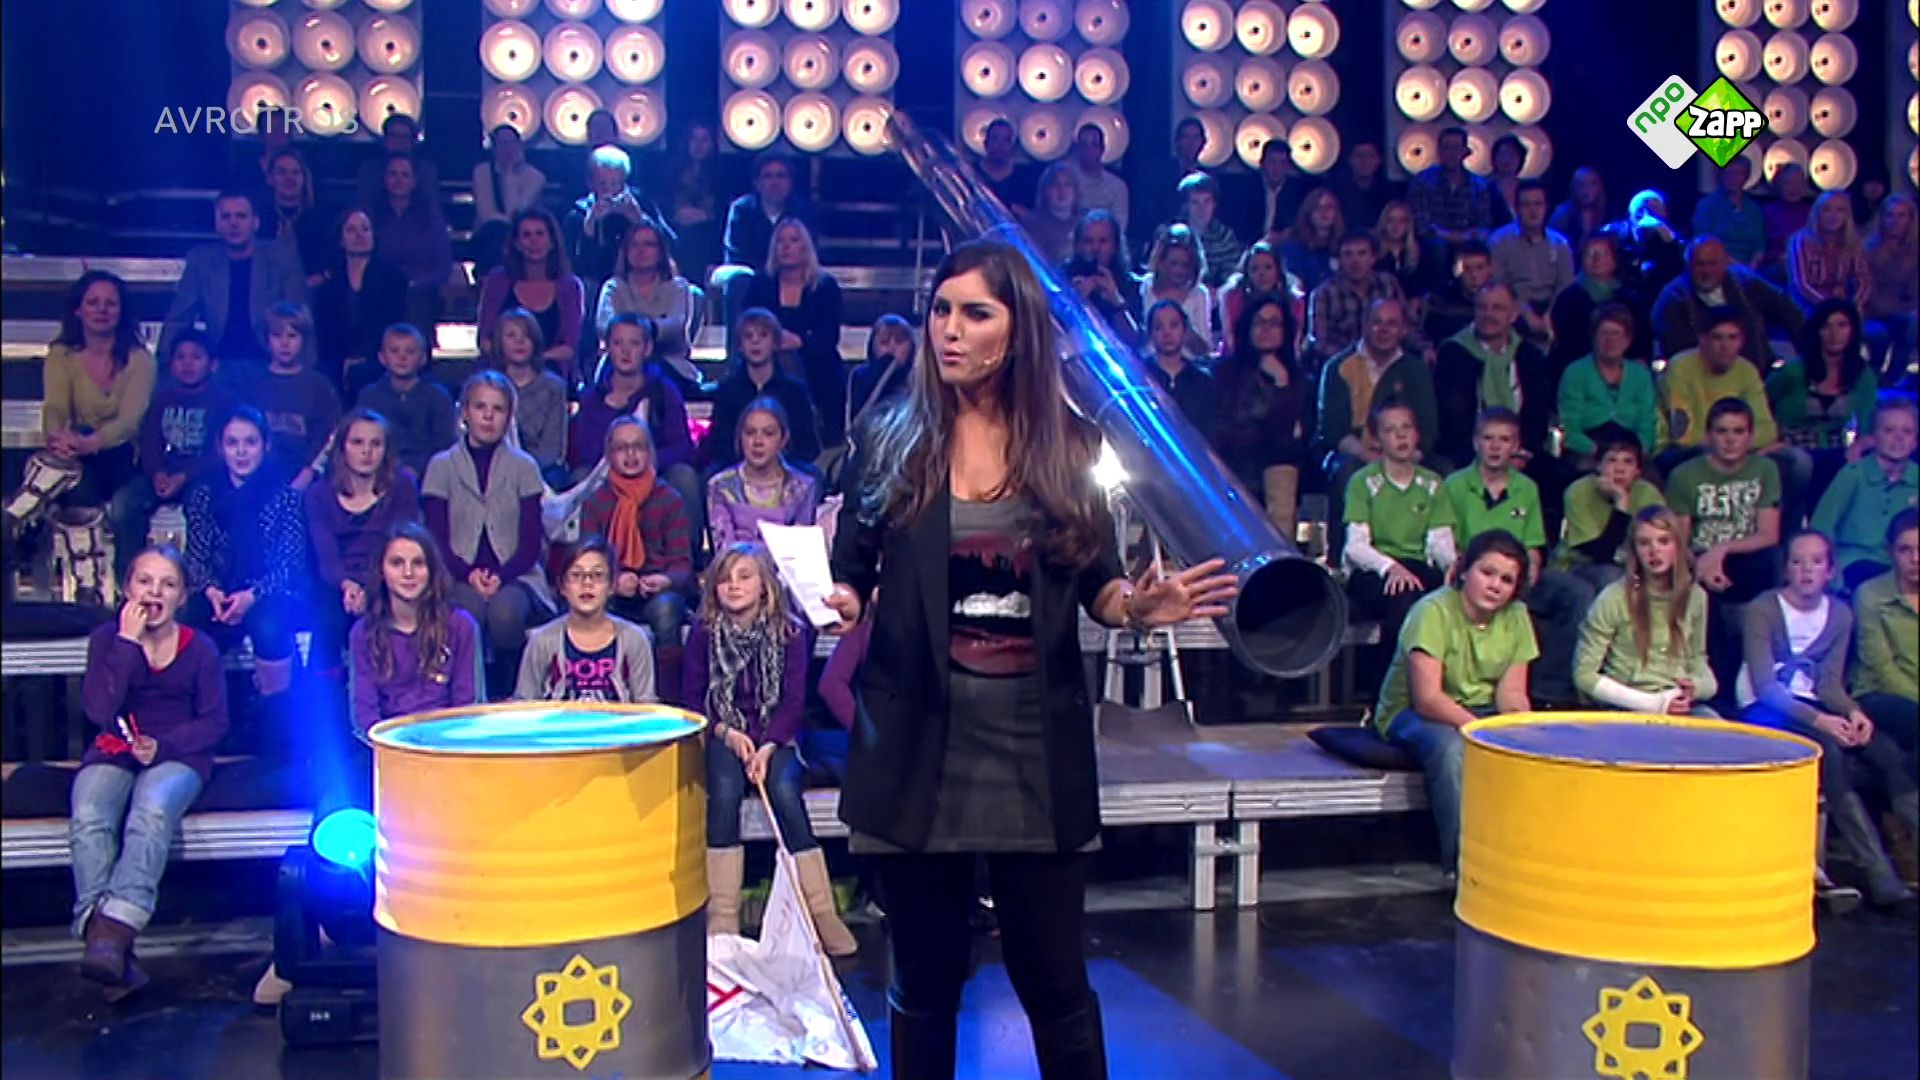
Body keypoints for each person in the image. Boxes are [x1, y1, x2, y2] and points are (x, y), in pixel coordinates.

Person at [823, 238, 1238, 1078]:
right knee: (924, 982)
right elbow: (853, 570)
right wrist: (840, 599)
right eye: (942, 310)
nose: (950, 330)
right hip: (916, 752)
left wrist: (1138, 608)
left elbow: (1099, 585)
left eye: (975, 313)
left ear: (1018, 330)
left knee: (1054, 982)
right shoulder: (890, 436)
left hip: (1030, 757)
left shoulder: (1071, 445)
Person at [70, 546, 228, 1001]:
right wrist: (126, 643)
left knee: (151, 809)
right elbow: (98, 710)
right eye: (144, 581)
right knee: (89, 813)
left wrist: (165, 746)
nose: (154, 592)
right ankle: (109, 947)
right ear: (127, 588)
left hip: (180, 753)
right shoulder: (107, 640)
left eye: (167, 584)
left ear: (182, 596)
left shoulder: (200, 649)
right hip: (116, 749)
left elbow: (215, 723)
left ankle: (111, 931)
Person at [689, 542, 854, 955]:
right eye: (725, 579)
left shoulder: (790, 632)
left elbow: (794, 701)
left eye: (744, 577)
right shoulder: (704, 632)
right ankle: (722, 917)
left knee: (783, 788)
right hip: (723, 733)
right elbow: (693, 696)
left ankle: (820, 913)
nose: (734, 586)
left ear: (764, 584)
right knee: (724, 792)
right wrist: (726, 732)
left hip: (777, 736)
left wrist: (767, 746)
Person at [1738, 531, 1917, 911]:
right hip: (1764, 707)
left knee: (1884, 751)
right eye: (1798, 561)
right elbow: (1766, 688)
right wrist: (1823, 722)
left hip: (1814, 703)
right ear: (1786, 569)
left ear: (1830, 570)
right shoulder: (1763, 609)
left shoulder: (1840, 614)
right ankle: (1880, 877)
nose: (1807, 570)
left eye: (1816, 562)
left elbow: (1830, 684)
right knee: (1830, 754)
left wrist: (1853, 712)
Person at [1373, 530, 1536, 874]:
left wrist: (1520, 733)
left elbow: (1511, 695)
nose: (1495, 586)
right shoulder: (1432, 611)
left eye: (1506, 580)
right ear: (1464, 571)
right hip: (1414, 713)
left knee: (1531, 746)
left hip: (1481, 711)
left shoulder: (1517, 616)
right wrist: (1481, 732)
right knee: (1451, 749)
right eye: (1487, 573)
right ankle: (1464, 865)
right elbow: (1428, 698)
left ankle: (1522, 859)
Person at [1441, 407, 1593, 706]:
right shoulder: (1454, 486)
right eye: (1489, 439)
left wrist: (1531, 567)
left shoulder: (1527, 488)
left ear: (1516, 445)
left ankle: (1549, 693)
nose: (1495, 447)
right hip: (1472, 574)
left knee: (1577, 593)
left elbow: (1533, 546)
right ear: (1476, 442)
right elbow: (1446, 541)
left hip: (1518, 575)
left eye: (1504, 440)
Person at [422, 372, 556, 689]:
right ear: (464, 412)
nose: (488, 416)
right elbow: (435, 540)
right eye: (480, 407)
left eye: (497, 409)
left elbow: (531, 543)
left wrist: (500, 575)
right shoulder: (441, 466)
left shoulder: (524, 467)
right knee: (468, 612)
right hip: (455, 574)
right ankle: (470, 692)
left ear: (509, 416)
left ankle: (513, 689)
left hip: (516, 574)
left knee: (505, 614)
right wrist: (468, 574)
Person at [181, 407, 308, 697]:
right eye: (232, 443)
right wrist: (212, 591)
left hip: (268, 593)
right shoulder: (203, 495)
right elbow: (196, 556)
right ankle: (202, 715)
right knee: (192, 624)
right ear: (220, 447)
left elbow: (289, 566)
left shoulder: (285, 498)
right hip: (218, 594)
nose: (241, 452)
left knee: (269, 626)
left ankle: (276, 713)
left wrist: (251, 596)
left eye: (250, 442)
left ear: (266, 445)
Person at [1667, 398, 1783, 693]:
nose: (1730, 440)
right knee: (1704, 602)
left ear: (1750, 436)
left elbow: (1769, 534)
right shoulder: (1684, 475)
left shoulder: (1765, 470)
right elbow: (1678, 541)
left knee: (1767, 563)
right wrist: (1700, 565)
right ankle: (1716, 691)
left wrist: (1720, 551)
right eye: (1722, 431)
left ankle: (1755, 685)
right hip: (1697, 563)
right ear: (1708, 436)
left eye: (1738, 431)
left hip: (1746, 558)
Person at [1660, 309, 1811, 527]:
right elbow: (1684, 435)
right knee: (1705, 453)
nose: (1725, 346)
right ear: (1703, 339)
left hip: (1740, 449)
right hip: (1686, 451)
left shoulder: (1746, 370)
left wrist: (1738, 446)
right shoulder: (1681, 367)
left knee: (1799, 462)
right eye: (1717, 338)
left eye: (1732, 338)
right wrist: (1734, 443)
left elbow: (1767, 429)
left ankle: (1788, 540)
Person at [1315, 298, 1440, 558]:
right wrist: (1373, 458)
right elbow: (1333, 430)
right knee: (1347, 472)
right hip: (1354, 451)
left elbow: (1427, 430)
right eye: (1377, 323)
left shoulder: (1415, 369)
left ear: (1403, 329)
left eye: (1392, 324)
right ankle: (1341, 559)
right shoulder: (1338, 367)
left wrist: (1401, 457)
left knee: (1442, 470)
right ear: (1364, 325)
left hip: (1405, 451)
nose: (1384, 330)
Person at [579, 417, 693, 695]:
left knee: (665, 611)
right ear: (609, 455)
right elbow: (585, 564)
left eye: (638, 447)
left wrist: (664, 580)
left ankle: (668, 699)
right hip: (611, 589)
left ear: (650, 452)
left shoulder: (669, 499)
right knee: (589, 603)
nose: (630, 455)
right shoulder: (596, 503)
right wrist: (613, 581)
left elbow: (682, 564)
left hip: (658, 592)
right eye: (622, 448)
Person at [305, 410, 421, 679]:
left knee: (388, 611)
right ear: (342, 447)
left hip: (388, 578)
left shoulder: (402, 487)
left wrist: (372, 588)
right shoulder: (319, 494)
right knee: (327, 619)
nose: (367, 452)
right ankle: (330, 697)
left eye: (375, 444)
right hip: (337, 584)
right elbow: (326, 555)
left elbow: (402, 545)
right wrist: (348, 585)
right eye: (357, 443)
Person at [111, 331, 236, 577]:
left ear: (212, 364)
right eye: (180, 357)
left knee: (201, 504)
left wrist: (184, 476)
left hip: (203, 476)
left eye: (196, 357)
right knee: (125, 503)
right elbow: (150, 441)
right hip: (162, 474)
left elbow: (220, 453)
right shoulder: (162, 399)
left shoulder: (224, 402)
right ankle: (129, 577)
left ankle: (197, 579)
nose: (188, 364)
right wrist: (157, 473)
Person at [1574, 506, 1717, 716]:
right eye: (1644, 543)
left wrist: (1696, 688)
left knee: (1716, 726)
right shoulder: (1613, 598)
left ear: (1677, 545)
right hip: (1626, 706)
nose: (1654, 551)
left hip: (1676, 700)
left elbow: (1697, 658)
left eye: (1664, 541)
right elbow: (1584, 675)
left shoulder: (1695, 597)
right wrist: (1654, 704)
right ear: (1634, 550)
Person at [35, 272, 157, 515]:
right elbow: (55, 408)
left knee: (74, 469)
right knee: (72, 472)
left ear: (121, 311)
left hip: (123, 457)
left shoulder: (140, 360)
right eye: (93, 302)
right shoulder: (61, 356)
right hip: (76, 454)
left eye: (111, 303)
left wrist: (91, 443)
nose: (102, 310)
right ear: (78, 310)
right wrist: (58, 440)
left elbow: (130, 422)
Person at [347, 522, 481, 741]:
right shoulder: (363, 633)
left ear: (431, 571)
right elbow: (364, 714)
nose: (408, 573)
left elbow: (467, 707)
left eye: (418, 563)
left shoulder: (461, 626)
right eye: (397, 563)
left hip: (449, 745)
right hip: (387, 746)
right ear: (381, 570)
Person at [1341, 401, 1457, 653]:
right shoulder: (1362, 482)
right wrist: (1390, 568)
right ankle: (1396, 672)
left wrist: (1454, 566)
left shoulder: (1432, 483)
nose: (1401, 436)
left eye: (1407, 428)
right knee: (1403, 595)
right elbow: (1356, 547)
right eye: (1391, 430)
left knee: (1436, 590)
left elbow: (1439, 541)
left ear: (1417, 434)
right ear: (1378, 439)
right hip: (1374, 570)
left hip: (1416, 566)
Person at [158, 189, 307, 368]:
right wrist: (164, 366)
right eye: (226, 217)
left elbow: (301, 319)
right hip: (217, 365)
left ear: (256, 222)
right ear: (216, 223)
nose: (233, 223)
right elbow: (179, 318)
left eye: (241, 216)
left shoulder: (282, 258)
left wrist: (303, 371)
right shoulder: (201, 260)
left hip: (271, 364)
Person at [516, 536, 658, 703]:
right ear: (562, 586)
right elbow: (525, 703)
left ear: (611, 585)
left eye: (597, 575)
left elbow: (646, 705)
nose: (587, 583)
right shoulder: (542, 640)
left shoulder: (634, 639)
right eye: (576, 575)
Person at [744, 218, 847, 446]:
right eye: (780, 241)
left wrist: (800, 341)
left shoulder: (824, 286)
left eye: (793, 240)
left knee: (820, 371)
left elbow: (828, 336)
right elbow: (748, 324)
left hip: (815, 361)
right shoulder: (761, 284)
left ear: (805, 247)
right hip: (767, 359)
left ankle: (817, 431)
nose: (786, 246)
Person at [1213, 297, 1308, 541]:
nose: (1266, 329)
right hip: (1233, 455)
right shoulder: (1225, 373)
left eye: (1274, 323)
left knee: (1282, 465)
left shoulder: (1296, 378)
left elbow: (1292, 432)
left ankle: (1280, 553)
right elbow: (1226, 425)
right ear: (1248, 328)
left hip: (1276, 458)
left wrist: (1281, 383)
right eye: (1259, 322)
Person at [1432, 283, 1554, 471]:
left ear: (1513, 314)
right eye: (1482, 307)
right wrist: (1489, 453)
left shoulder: (1529, 355)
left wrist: (1520, 452)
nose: (1488, 314)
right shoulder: (1453, 353)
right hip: (1469, 453)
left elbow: (1538, 413)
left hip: (1521, 453)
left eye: (1498, 308)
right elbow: (1454, 419)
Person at [1768, 300, 1880, 493]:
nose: (1834, 334)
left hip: (1835, 450)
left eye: (1842, 325)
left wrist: (1860, 446)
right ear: (1817, 331)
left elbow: (1867, 422)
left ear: (1853, 330)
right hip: (1790, 449)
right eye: (1826, 326)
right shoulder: (1795, 370)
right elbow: (1763, 400)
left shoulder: (1862, 375)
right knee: (1808, 466)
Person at [1811, 398, 1920, 593]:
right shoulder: (1853, 474)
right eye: (1889, 431)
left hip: (1904, 566)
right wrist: (1830, 573)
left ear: (1915, 441)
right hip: (1854, 561)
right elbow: (1821, 528)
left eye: (1907, 432)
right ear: (1873, 437)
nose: (1899, 438)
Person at [1651, 236, 1803, 366]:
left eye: (1712, 263)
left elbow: (1787, 310)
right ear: (1688, 266)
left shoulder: (1745, 282)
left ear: (1725, 262)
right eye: (1700, 264)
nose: (1707, 271)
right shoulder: (1673, 299)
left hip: (1757, 371)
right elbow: (1678, 352)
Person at [701, 308, 822, 469]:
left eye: (763, 335)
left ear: (775, 343)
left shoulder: (794, 392)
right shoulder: (727, 391)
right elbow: (718, 445)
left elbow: (808, 447)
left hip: (786, 470)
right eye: (748, 336)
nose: (755, 341)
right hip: (736, 470)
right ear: (740, 345)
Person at [477, 208, 586, 382]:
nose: (534, 241)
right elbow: (485, 340)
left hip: (551, 375)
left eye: (540, 234)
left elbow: (568, 348)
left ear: (552, 242)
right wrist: (512, 364)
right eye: (526, 235)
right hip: (503, 374)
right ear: (516, 244)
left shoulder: (569, 287)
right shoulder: (497, 281)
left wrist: (529, 364)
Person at [310, 208, 409, 399]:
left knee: (365, 375)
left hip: (379, 358)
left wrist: (365, 358)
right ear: (340, 239)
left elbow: (391, 325)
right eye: (351, 230)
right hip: (337, 360)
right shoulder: (329, 283)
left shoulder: (393, 278)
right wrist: (344, 361)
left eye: (365, 229)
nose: (359, 235)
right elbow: (325, 333)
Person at [593, 216, 702, 390]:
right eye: (634, 245)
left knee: (655, 377)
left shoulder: (678, 287)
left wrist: (632, 329)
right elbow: (604, 326)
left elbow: (675, 326)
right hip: (620, 363)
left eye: (648, 244)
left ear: (661, 251)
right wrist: (650, 328)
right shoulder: (614, 286)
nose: (641, 250)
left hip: (669, 363)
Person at [1552, 431, 1666, 592]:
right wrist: (1621, 504)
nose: (1620, 469)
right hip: (1581, 565)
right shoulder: (1578, 491)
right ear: (1598, 466)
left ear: (1637, 471)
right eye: (1612, 460)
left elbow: (1660, 544)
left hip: (1635, 564)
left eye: (1628, 462)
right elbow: (1599, 554)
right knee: (1612, 578)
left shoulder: (1649, 494)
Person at [707, 398, 822, 551]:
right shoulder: (720, 486)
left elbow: (800, 550)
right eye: (750, 433)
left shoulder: (803, 487)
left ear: (783, 439)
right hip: (736, 565)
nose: (758, 442)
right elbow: (723, 550)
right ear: (740, 437)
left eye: (768, 433)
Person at [1851, 510, 1918, 764]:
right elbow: (1882, 669)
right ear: (1891, 552)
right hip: (1880, 694)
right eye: (1905, 550)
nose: (1915, 559)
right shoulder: (1870, 594)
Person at [1557, 304, 1661, 468]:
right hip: (1588, 451)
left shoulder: (1640, 374)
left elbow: (1647, 424)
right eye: (1604, 333)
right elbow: (1570, 430)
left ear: (1628, 340)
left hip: (1632, 451)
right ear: (1593, 337)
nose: (1610, 340)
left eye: (1616, 334)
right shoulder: (1575, 373)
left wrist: (1635, 454)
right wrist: (1600, 452)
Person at [254, 302, 341, 491]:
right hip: (258, 478)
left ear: (303, 340)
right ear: (267, 339)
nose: (284, 343)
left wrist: (308, 473)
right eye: (277, 335)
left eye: (292, 336)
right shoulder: (252, 384)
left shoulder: (320, 386)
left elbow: (330, 437)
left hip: (308, 480)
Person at [354, 323, 457, 478]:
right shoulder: (370, 396)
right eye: (394, 351)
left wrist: (418, 469)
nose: (402, 357)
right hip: (380, 474)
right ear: (382, 357)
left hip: (430, 475)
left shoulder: (437, 396)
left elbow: (445, 443)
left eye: (410, 351)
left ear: (423, 358)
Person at [370, 154, 454, 330]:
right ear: (384, 180)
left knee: (416, 301)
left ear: (414, 181)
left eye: (404, 175)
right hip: (381, 288)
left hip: (420, 289)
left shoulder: (431, 218)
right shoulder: (371, 216)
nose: (398, 180)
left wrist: (416, 283)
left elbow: (443, 265)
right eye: (393, 174)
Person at [564, 145, 660, 292]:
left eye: (615, 184)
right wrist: (589, 226)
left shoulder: (641, 203)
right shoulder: (577, 214)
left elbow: (670, 245)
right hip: (595, 284)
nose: (608, 191)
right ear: (590, 183)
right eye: (602, 184)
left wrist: (640, 220)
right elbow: (576, 265)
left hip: (638, 280)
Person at [1304, 231, 1409, 367]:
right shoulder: (1324, 293)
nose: (1355, 261)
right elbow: (1319, 341)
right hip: (1343, 365)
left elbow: (1408, 324)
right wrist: (1357, 359)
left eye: (1362, 253)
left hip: (1388, 361)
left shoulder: (1388, 284)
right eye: (1347, 254)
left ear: (1373, 257)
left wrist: (1425, 348)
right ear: (1339, 260)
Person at [1548, 233, 1646, 376]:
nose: (1597, 259)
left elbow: (1641, 341)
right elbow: (1567, 344)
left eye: (1604, 254)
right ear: (1582, 259)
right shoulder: (1568, 299)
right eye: (1590, 254)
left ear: (1614, 260)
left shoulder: (1630, 300)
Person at [1488, 180, 1574, 344]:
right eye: (1526, 205)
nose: (1533, 211)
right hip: (1516, 305)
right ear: (1517, 208)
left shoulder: (1560, 243)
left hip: (1552, 304)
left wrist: (1550, 315)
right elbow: (1500, 283)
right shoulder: (1499, 241)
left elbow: (1565, 284)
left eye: (1538, 204)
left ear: (1546, 207)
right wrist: (1527, 313)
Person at [491, 309, 570, 487]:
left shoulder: (553, 387)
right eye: (511, 335)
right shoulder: (489, 386)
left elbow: (553, 446)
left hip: (540, 469)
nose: (519, 341)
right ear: (499, 342)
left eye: (526, 335)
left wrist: (525, 473)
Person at [470, 124, 547, 277]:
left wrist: (509, 174)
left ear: (520, 146)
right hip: (487, 234)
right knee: (494, 231)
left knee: (503, 234)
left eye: (511, 143)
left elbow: (515, 213)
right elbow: (486, 214)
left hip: (521, 234)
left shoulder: (535, 177)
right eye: (502, 143)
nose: (507, 149)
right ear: (494, 147)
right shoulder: (482, 172)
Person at [1408, 127, 1498, 248]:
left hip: (1469, 242)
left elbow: (1484, 222)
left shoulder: (1479, 185)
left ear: (1465, 151)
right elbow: (1421, 222)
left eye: (1456, 148)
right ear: (1439, 151)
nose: (1451, 153)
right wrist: (1448, 236)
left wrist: (1466, 236)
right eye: (1446, 147)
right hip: (1434, 243)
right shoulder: (1422, 181)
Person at [1143, 300, 1218, 443]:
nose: (1166, 333)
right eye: (1158, 327)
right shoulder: (1139, 375)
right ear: (1150, 333)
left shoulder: (1203, 381)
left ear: (1185, 331)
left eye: (1174, 325)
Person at [1788, 191, 1874, 313]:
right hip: (1808, 306)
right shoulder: (1801, 241)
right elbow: (1802, 284)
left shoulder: (1853, 241)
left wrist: (1854, 306)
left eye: (1840, 210)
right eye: (1827, 210)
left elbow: (1863, 279)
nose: (1833, 216)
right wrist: (1830, 309)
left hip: (1842, 305)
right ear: (1817, 213)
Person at [1862, 193, 1918, 376]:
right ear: (1882, 218)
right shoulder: (1867, 249)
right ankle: (1872, 377)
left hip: (1904, 311)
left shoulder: (1915, 251)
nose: (1895, 221)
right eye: (1890, 215)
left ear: (1910, 219)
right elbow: (1866, 292)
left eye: (1901, 215)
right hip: (1871, 313)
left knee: (1911, 325)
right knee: (1880, 334)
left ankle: (1895, 377)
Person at [256, 149, 332, 283]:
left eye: (295, 172)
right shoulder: (257, 218)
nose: (289, 178)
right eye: (282, 172)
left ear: (304, 179)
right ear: (270, 179)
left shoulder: (323, 219)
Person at [1067, 211, 1144, 334]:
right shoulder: (1061, 278)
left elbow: (1134, 339)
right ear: (1078, 245)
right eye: (1089, 241)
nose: (1095, 248)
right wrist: (1076, 299)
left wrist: (1115, 300)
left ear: (1115, 246)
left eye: (1103, 241)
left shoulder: (1130, 284)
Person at [665, 121, 723, 282]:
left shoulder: (721, 176)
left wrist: (706, 216)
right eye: (694, 139)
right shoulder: (671, 173)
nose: (699, 145)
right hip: (676, 236)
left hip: (707, 241)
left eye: (704, 140)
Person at [1141, 224, 1213, 351]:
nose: (1178, 270)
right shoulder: (1146, 286)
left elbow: (1204, 349)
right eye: (1173, 263)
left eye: (1185, 265)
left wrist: (1183, 327)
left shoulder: (1199, 294)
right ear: (1161, 262)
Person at [845, 314, 916, 441]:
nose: (892, 348)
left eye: (899, 342)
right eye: (884, 342)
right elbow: (855, 424)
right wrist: (883, 370)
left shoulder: (920, 379)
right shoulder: (859, 375)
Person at [1690, 154, 1767, 268]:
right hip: (1715, 266)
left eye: (1738, 173)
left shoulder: (1754, 209)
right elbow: (1703, 242)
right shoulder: (1706, 206)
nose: (1733, 178)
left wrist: (1751, 268)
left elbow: (1760, 246)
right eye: (1728, 173)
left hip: (1750, 269)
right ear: (1720, 176)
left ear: (1746, 176)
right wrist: (1737, 267)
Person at [1605, 189, 1686, 293]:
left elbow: (1685, 262)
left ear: (1665, 215)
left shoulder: (1671, 237)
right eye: (1641, 210)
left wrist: (1666, 234)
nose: (1646, 214)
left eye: (1653, 210)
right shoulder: (1615, 231)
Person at [354, 114, 439, 212]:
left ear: (412, 141)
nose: (398, 141)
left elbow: (431, 207)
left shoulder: (426, 170)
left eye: (403, 137)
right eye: (394, 136)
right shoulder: (370, 169)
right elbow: (363, 204)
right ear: (385, 139)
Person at [1216, 242, 1286, 355]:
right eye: (1254, 269)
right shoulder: (1232, 297)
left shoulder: (1293, 300)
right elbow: (1231, 341)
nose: (1261, 274)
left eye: (1268, 267)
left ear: (1278, 271)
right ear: (1247, 274)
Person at [1176, 172, 1242, 290]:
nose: (1201, 208)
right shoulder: (1171, 234)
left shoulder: (1225, 236)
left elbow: (1233, 274)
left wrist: (1220, 291)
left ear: (1214, 204)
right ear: (1186, 206)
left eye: (1207, 201)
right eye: (1195, 202)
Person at [1420, 239, 1494, 344]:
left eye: (1480, 268)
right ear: (1457, 271)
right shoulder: (1442, 302)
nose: (1474, 275)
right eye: (1467, 268)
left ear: (1490, 269)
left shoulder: (1503, 300)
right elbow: (1428, 338)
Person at [1373, 200, 1444, 307]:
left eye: (1402, 221)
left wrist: (1419, 299)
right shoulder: (1373, 250)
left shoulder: (1422, 249)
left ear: (1409, 224)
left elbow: (1429, 284)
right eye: (1390, 220)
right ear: (1384, 223)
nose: (1395, 226)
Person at [1280, 188, 1343, 299]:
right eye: (1318, 208)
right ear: (1308, 213)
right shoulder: (1294, 247)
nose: (1324, 212)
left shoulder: (1343, 246)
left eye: (1329, 207)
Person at [1024, 162, 1083, 266]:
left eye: (1068, 184)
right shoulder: (1032, 224)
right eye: (1056, 185)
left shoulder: (1086, 221)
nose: (1062, 190)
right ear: (1045, 191)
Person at [1334, 141, 1399, 235]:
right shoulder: (1336, 190)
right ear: (1349, 160)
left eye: (1370, 156)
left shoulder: (1389, 191)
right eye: (1358, 156)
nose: (1365, 162)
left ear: (1379, 160)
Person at [1070, 123, 1128, 229]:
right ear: (1077, 149)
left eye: (1094, 144)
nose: (1089, 150)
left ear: (1102, 149)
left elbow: (1120, 227)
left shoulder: (1117, 186)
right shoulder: (1065, 180)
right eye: (1084, 145)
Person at [1254, 138, 1307, 246]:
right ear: (1262, 163)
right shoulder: (1246, 190)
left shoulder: (1297, 194)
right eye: (1272, 162)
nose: (1277, 168)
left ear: (1289, 167)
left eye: (1282, 163)